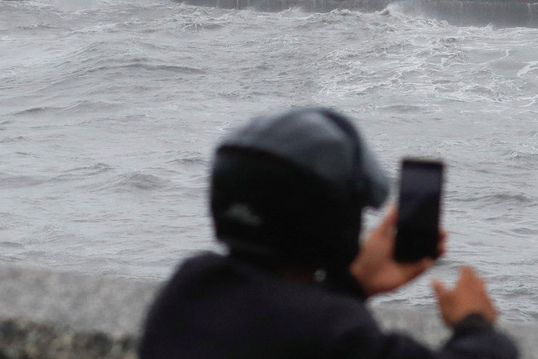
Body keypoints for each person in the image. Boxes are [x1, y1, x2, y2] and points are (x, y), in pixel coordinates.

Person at [140, 106, 518, 358]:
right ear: (333, 220)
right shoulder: (334, 331)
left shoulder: (191, 286)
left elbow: (268, 322)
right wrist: (475, 323)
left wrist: (351, 286)